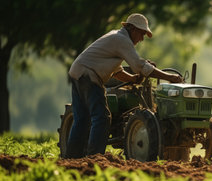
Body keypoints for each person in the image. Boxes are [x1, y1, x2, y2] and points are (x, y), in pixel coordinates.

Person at [66, 13, 183, 158]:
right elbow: (139, 65)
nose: (141, 39)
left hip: (77, 72)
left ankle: (71, 157)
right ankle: (94, 157)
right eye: (141, 34)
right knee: (102, 117)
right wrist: (170, 77)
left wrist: (133, 79)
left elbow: (116, 71)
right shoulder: (122, 40)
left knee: (81, 119)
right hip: (88, 75)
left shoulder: (115, 37)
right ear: (132, 28)